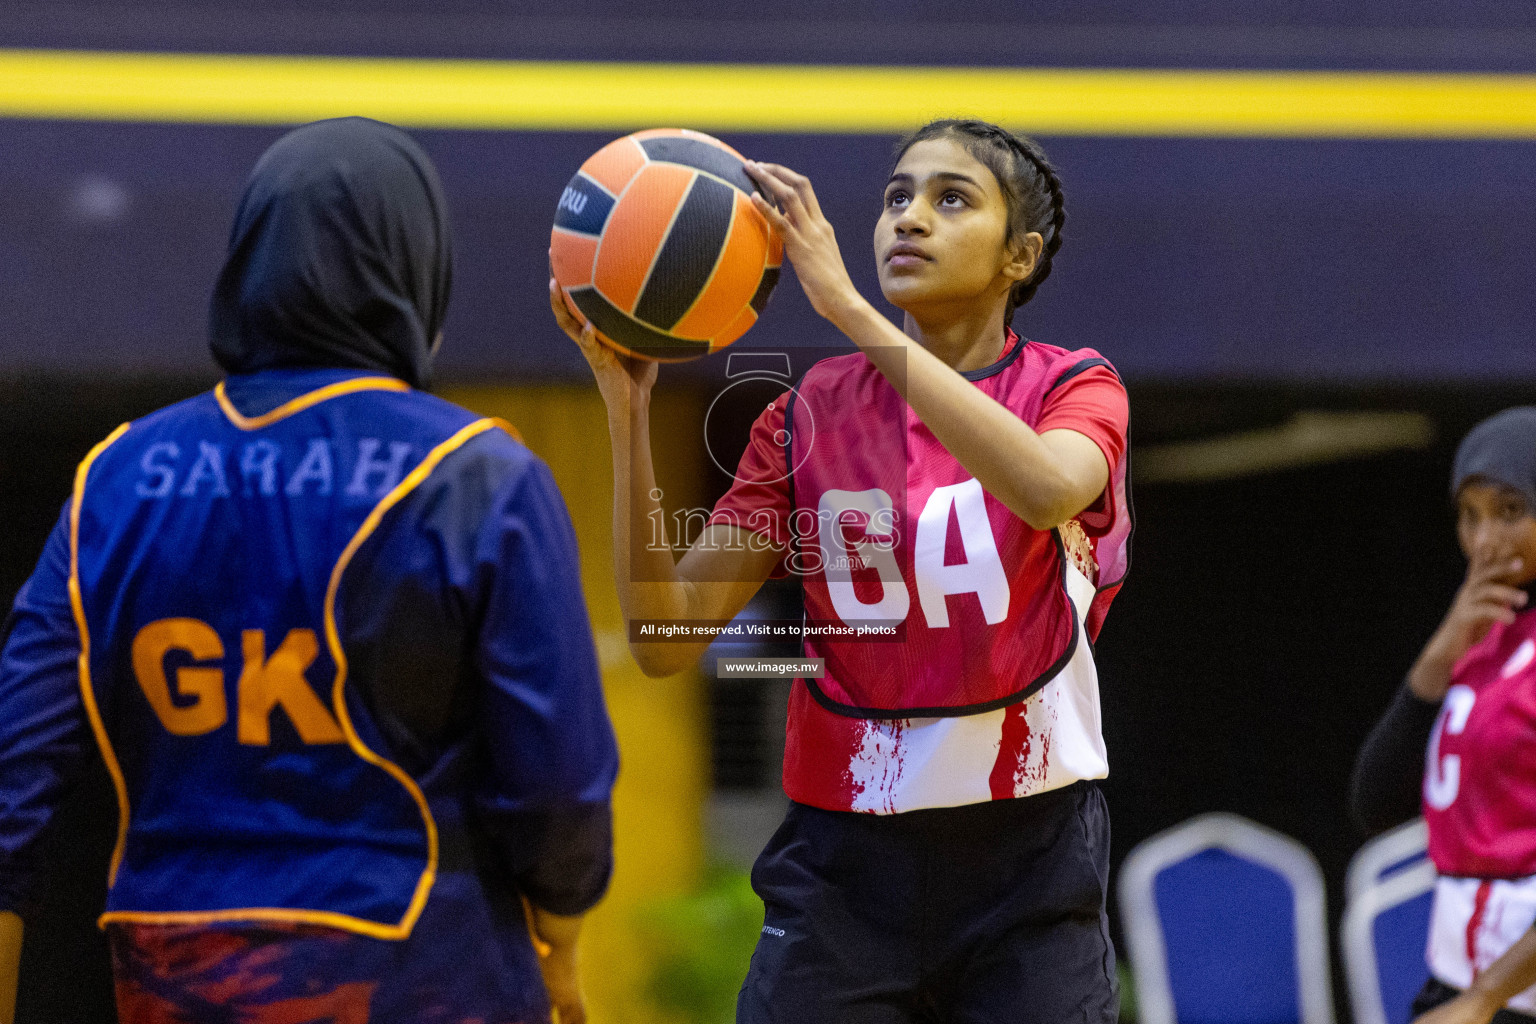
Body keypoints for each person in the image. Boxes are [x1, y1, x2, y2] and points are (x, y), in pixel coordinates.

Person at [0, 117, 618, 1024]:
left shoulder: (114, 477)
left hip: (173, 981)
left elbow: (15, 782)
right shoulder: (479, 474)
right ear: (419, 274)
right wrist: (560, 933)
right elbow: (558, 788)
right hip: (421, 976)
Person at [551, 119, 1130, 1022]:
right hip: (845, 871)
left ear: (1020, 256)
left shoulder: (1073, 387)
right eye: (898, 196)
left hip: (1028, 862)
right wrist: (627, 412)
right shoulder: (806, 415)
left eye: (951, 199)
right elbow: (667, 639)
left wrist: (851, 313)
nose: (911, 218)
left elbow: (1049, 489)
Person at [1353, 407, 1536, 1024]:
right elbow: (1376, 804)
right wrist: (1442, 650)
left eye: (1510, 511)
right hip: (1461, 986)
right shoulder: (1483, 639)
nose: (1484, 540)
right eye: (1469, 516)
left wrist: (1485, 999)